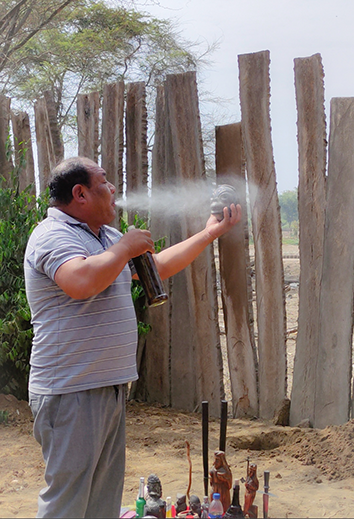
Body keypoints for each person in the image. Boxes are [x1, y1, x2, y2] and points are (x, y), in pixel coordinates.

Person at [25, 156, 242, 518]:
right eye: (104, 182)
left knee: (101, 503)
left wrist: (209, 233)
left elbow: (158, 267)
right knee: (67, 503)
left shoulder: (104, 237)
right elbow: (80, 281)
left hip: (107, 389)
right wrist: (126, 247)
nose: (113, 190)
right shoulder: (52, 235)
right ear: (79, 194)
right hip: (70, 392)